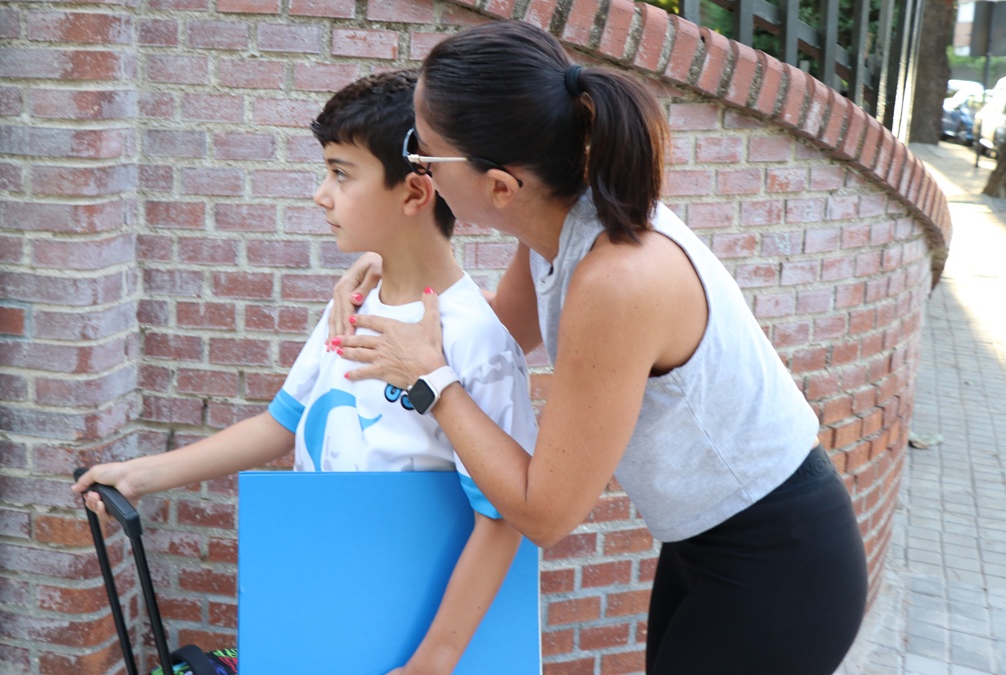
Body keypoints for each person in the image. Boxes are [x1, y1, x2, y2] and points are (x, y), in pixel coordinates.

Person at [329, 20, 869, 675]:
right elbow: (493, 335)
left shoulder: (617, 279)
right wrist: (392, 272)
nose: (414, 163)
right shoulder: (557, 218)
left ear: (501, 185)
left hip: (777, 559)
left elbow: (544, 510)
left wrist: (431, 383)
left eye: (423, 153)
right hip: (701, 540)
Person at [72, 69, 538, 675]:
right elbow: (281, 423)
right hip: (327, 619)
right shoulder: (351, 303)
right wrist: (141, 476)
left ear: (416, 193)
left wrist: (432, 663)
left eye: (341, 174)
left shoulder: (475, 341)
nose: (322, 194)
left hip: (407, 641)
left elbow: (501, 519)